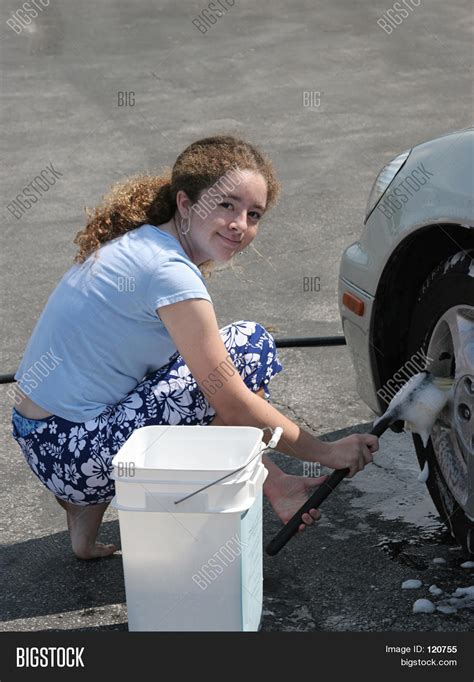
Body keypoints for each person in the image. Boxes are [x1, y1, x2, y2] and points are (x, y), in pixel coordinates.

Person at [10, 134, 379, 560]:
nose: (241, 223)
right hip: (74, 453)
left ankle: (84, 516)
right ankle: (270, 486)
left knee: (201, 374)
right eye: (226, 205)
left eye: (253, 213)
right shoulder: (170, 273)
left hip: (43, 441)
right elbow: (233, 404)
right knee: (247, 347)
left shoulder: (141, 245)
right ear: (186, 205)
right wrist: (326, 451)